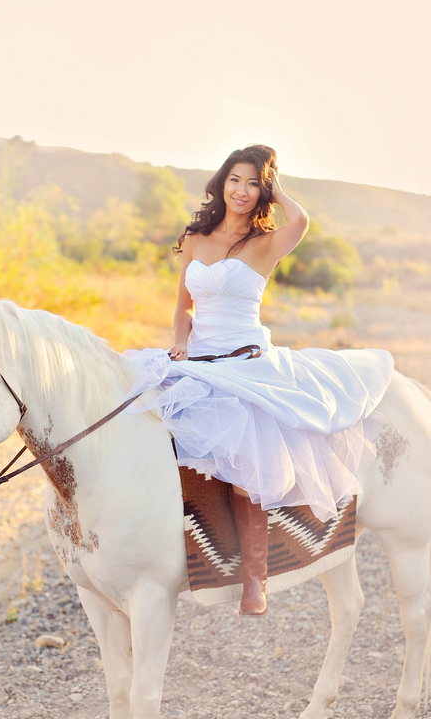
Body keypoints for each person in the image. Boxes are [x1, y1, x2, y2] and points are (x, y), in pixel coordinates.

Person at [125, 144, 394, 617]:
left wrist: (278, 187)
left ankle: (254, 578)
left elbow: (302, 221)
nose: (242, 191)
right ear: (221, 182)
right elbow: (184, 304)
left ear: (263, 190)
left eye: (253, 183)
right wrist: (180, 341)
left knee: (247, 470)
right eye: (235, 180)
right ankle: (152, 549)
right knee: (139, 418)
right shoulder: (195, 238)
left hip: (247, 360)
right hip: (200, 357)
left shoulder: (266, 241)